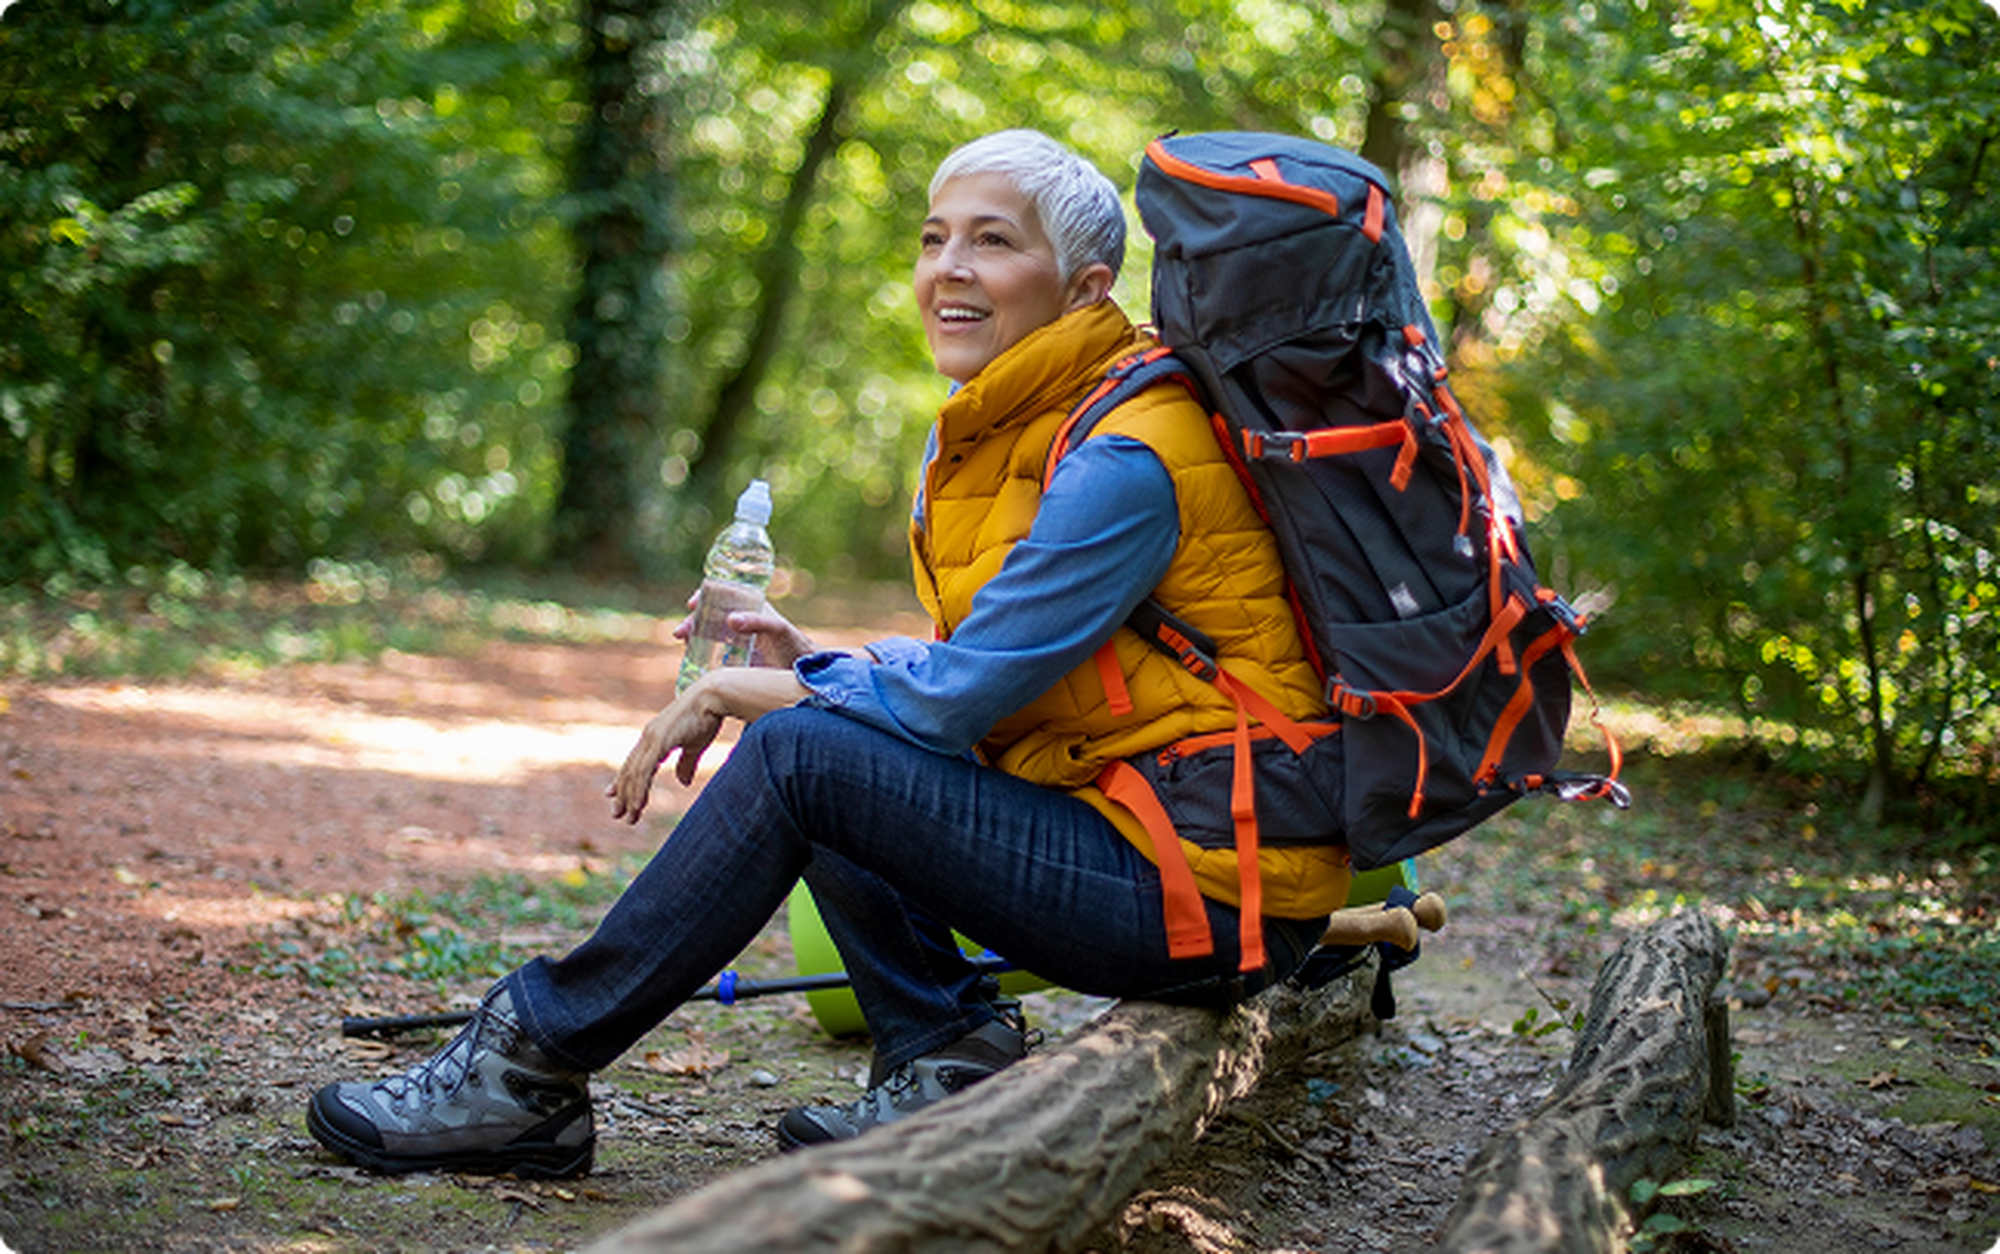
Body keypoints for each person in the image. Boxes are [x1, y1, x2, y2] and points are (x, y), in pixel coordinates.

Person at [304, 129, 1352, 1180]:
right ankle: (947, 1059)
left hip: (1209, 886)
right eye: (935, 237)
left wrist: (743, 686)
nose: (949, 267)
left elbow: (953, 702)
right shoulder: (1038, 419)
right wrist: (811, 657)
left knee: (803, 751)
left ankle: (525, 1069)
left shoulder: (1127, 450)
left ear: (1084, 289)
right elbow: (999, 679)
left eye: (991, 242)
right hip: (1154, 841)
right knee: (833, 740)